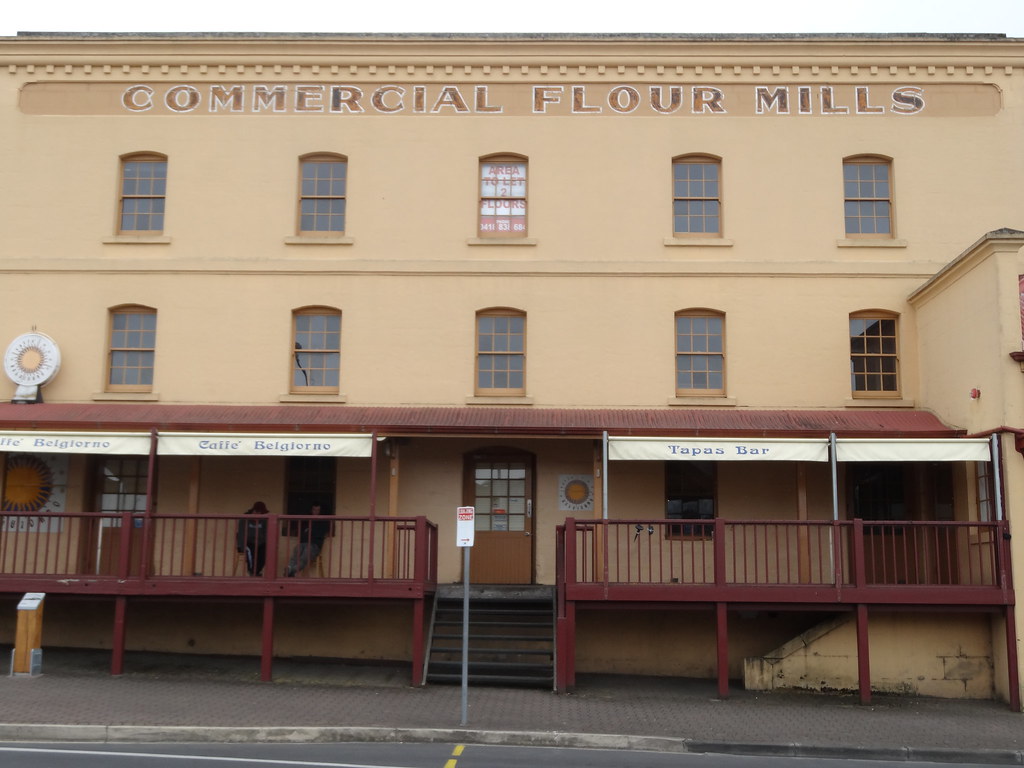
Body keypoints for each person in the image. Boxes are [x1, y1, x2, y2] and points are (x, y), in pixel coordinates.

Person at [285, 503, 331, 577]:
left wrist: (309, 531)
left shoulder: (323, 521)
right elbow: (302, 532)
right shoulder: (306, 520)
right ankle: (289, 568)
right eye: (314, 510)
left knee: (304, 556)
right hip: (303, 544)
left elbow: (320, 534)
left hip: (314, 546)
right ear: (311, 510)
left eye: (318, 510)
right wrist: (310, 532)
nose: (316, 512)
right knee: (297, 550)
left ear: (320, 511)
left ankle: (292, 570)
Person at [235, 501, 269, 576]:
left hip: (261, 543)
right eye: (260, 513)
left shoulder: (264, 520)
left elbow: (266, 534)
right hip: (248, 542)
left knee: (266, 553)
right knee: (251, 552)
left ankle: (256, 572)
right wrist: (240, 546)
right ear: (254, 511)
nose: (261, 515)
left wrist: (267, 544)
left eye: (262, 513)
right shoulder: (244, 519)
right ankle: (252, 571)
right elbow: (241, 533)